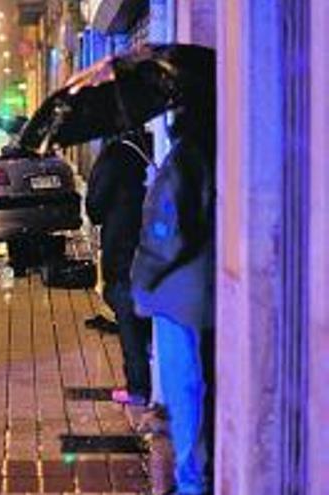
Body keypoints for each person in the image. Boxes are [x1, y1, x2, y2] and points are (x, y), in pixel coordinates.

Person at [131, 92, 216, 494]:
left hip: (177, 294)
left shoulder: (185, 159)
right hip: (201, 292)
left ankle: (191, 482)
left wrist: (142, 281)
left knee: (184, 388)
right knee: (195, 386)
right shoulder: (214, 154)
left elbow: (165, 234)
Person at [85, 129, 152, 406]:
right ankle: (145, 375)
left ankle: (137, 387)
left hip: (122, 246)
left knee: (126, 313)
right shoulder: (149, 154)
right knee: (137, 312)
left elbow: (95, 208)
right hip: (149, 247)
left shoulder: (113, 157)